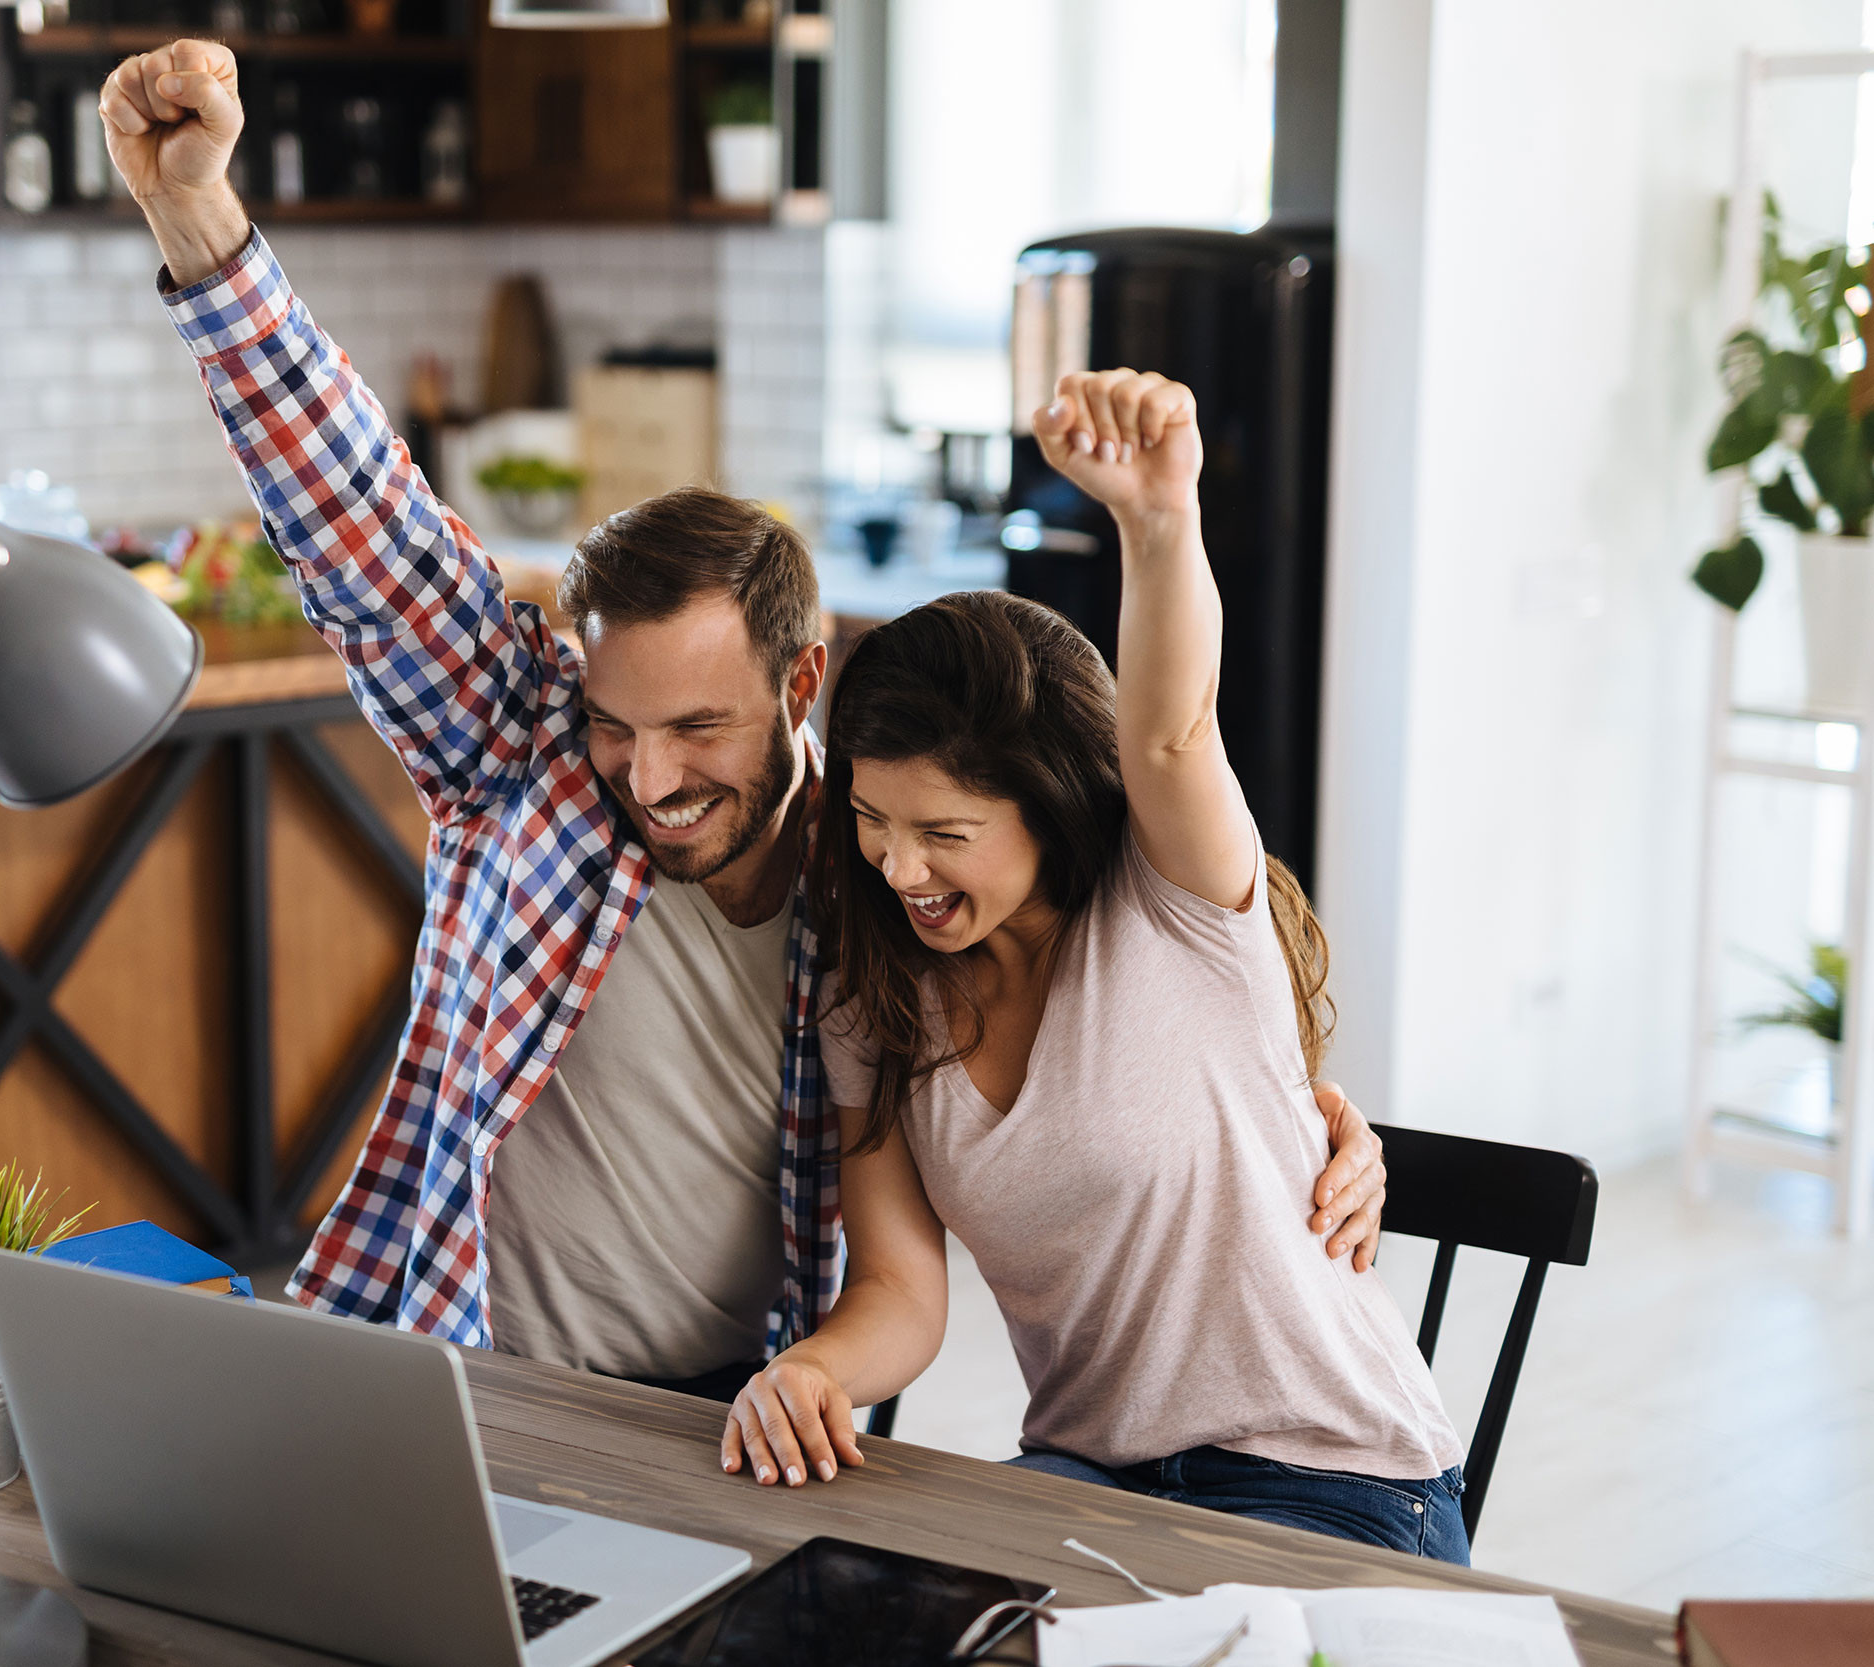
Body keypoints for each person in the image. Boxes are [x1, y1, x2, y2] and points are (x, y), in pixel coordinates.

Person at [95, 40, 1392, 1397]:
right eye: (615, 720)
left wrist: (1308, 1123)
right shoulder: (518, 750)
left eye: (698, 727)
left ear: (798, 683)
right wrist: (196, 217)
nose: (647, 775)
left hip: (724, 1406)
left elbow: (1135, 1005)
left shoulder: (886, 876)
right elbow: (358, 516)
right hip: (456, 1372)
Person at [715, 369, 1469, 1562]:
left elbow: (1169, 732)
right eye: (871, 819)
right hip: (1092, 1476)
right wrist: (812, 1368)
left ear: (1050, 804)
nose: (898, 865)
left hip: (1332, 1474)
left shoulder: (1170, 902)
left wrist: (1158, 518)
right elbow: (901, 1290)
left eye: (944, 831)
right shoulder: (879, 1001)